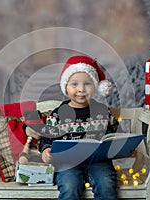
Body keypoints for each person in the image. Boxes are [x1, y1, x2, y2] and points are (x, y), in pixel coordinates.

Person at [34, 55, 119, 200]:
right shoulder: (58, 114)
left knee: (106, 183)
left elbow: (115, 134)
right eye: (74, 84)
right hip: (67, 163)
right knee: (69, 185)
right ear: (65, 87)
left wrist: (124, 146)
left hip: (98, 161)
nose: (81, 89)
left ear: (96, 86)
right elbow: (46, 138)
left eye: (87, 84)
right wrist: (45, 150)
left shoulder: (103, 112)